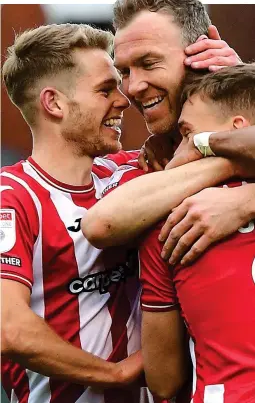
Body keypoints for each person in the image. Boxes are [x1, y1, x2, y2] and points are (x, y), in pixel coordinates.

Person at [0, 20, 241, 402]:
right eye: (104, 89)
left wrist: (231, 75)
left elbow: (242, 142)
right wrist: (117, 373)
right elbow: (7, 329)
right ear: (54, 103)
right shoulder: (12, 196)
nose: (123, 99)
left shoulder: (134, 172)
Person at [83, 0, 255, 261]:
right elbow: (101, 225)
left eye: (149, 63)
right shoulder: (145, 166)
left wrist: (250, 92)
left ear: (206, 45)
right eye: (125, 71)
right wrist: (227, 155)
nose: (133, 87)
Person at [139, 63, 255, 402]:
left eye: (186, 134)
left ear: (237, 131)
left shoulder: (173, 222)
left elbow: (163, 381)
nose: (179, 148)